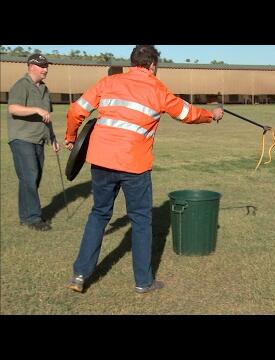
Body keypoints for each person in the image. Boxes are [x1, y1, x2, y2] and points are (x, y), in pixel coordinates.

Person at [64, 45, 224, 294]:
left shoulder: (109, 82)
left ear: (132, 63)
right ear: (152, 65)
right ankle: (143, 282)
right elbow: (187, 113)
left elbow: (76, 110)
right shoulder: (158, 89)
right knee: (140, 220)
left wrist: (71, 136)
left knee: (98, 214)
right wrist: (211, 116)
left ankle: (80, 275)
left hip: (101, 160)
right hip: (134, 165)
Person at [7, 53, 60, 231]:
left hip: (39, 139)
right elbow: (13, 108)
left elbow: (47, 116)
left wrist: (52, 137)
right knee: (29, 176)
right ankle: (34, 218)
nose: (46, 69)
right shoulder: (21, 85)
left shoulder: (45, 89)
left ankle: (26, 215)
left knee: (32, 178)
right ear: (31, 66)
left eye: (47, 66)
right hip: (22, 138)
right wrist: (36, 109)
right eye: (42, 66)